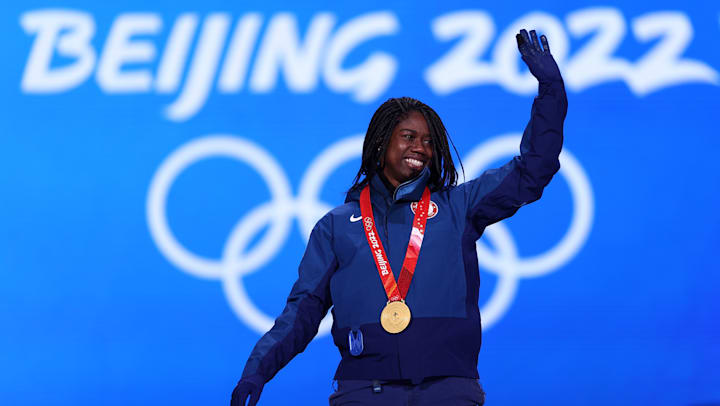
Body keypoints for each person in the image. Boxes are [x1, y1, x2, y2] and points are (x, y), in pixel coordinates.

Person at [231, 29, 567, 406]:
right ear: (381, 143)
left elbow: (533, 169)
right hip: (364, 391)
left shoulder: (460, 207)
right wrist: (257, 370)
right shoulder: (336, 226)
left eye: (428, 141)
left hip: (448, 390)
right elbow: (303, 311)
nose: (420, 148)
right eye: (408, 136)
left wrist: (551, 91)